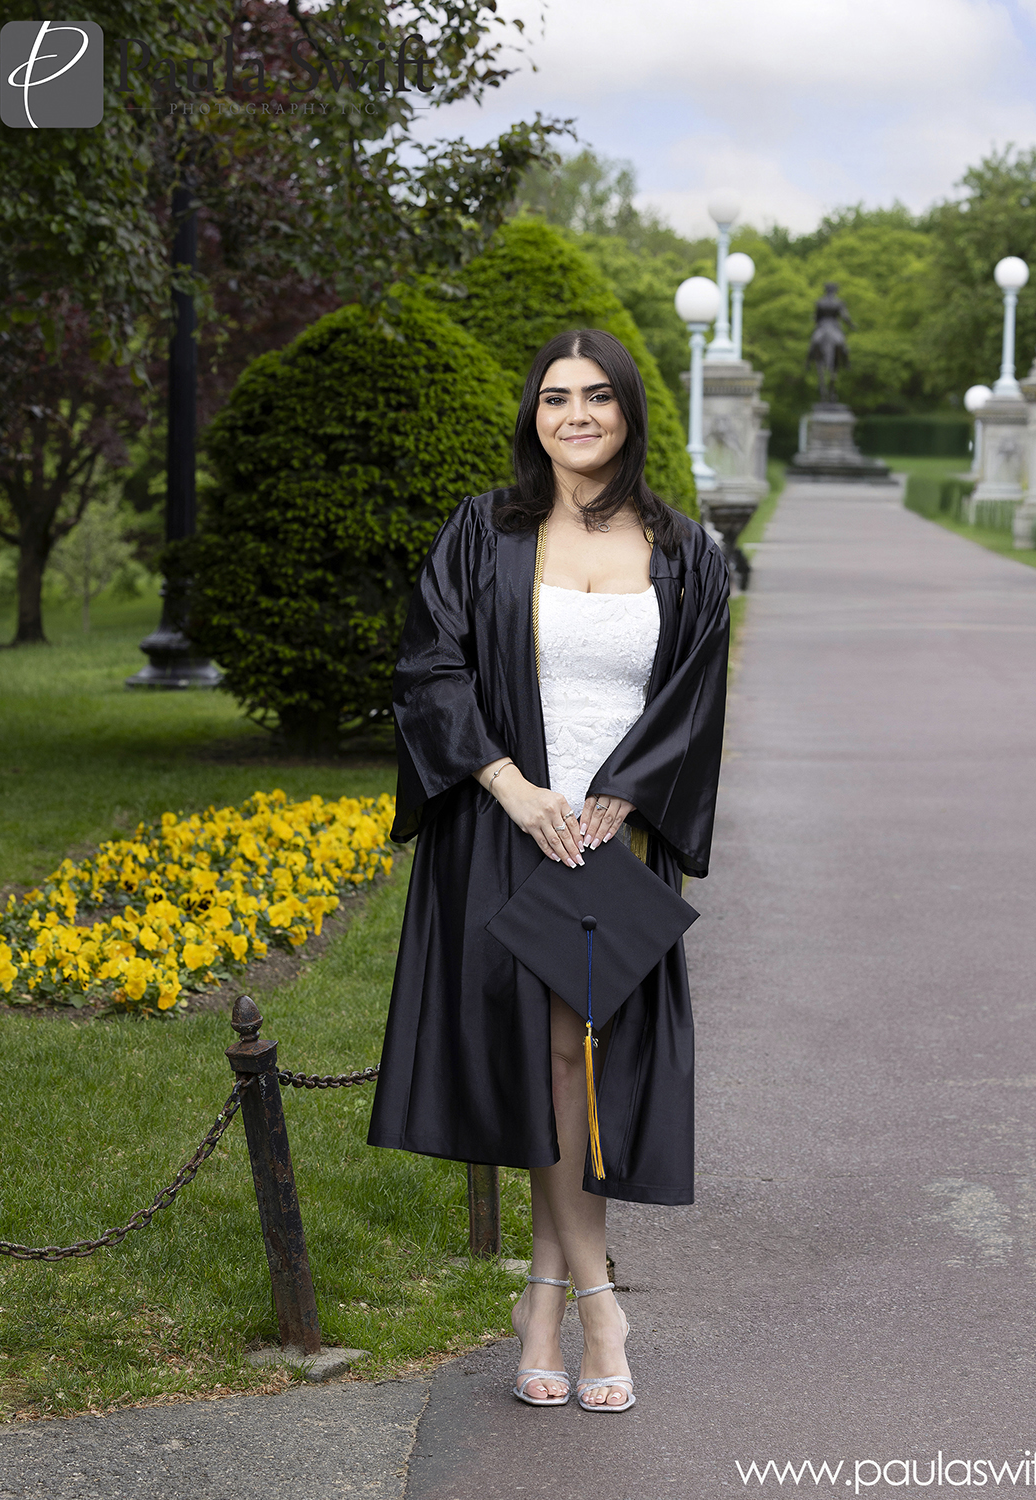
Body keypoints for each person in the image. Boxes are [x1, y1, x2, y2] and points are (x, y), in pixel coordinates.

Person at [368, 328, 730, 1412]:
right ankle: (596, 1303)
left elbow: (697, 697)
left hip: (615, 842)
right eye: (555, 398)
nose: (575, 415)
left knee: (589, 1067)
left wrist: (626, 797)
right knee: (548, 1065)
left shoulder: (688, 550)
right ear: (534, 415)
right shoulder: (484, 531)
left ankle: (545, 1291)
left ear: (629, 412)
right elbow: (430, 666)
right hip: (505, 831)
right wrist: (510, 786)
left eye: (597, 397)